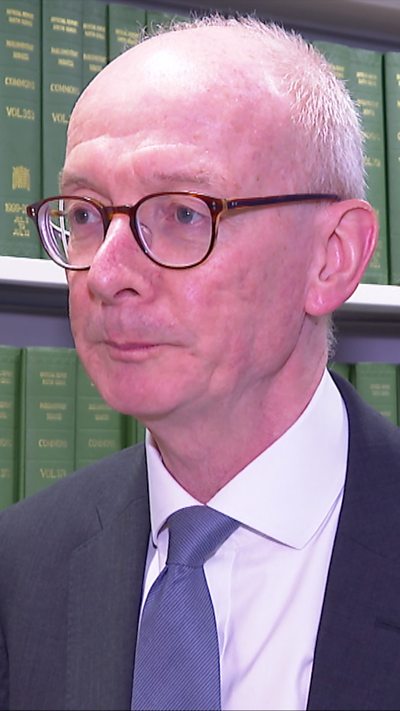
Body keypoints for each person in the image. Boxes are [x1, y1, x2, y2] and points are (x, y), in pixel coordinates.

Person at [1, 13, 400, 711]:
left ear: (331, 257)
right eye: (87, 215)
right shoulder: (22, 562)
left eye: (184, 213)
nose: (106, 274)